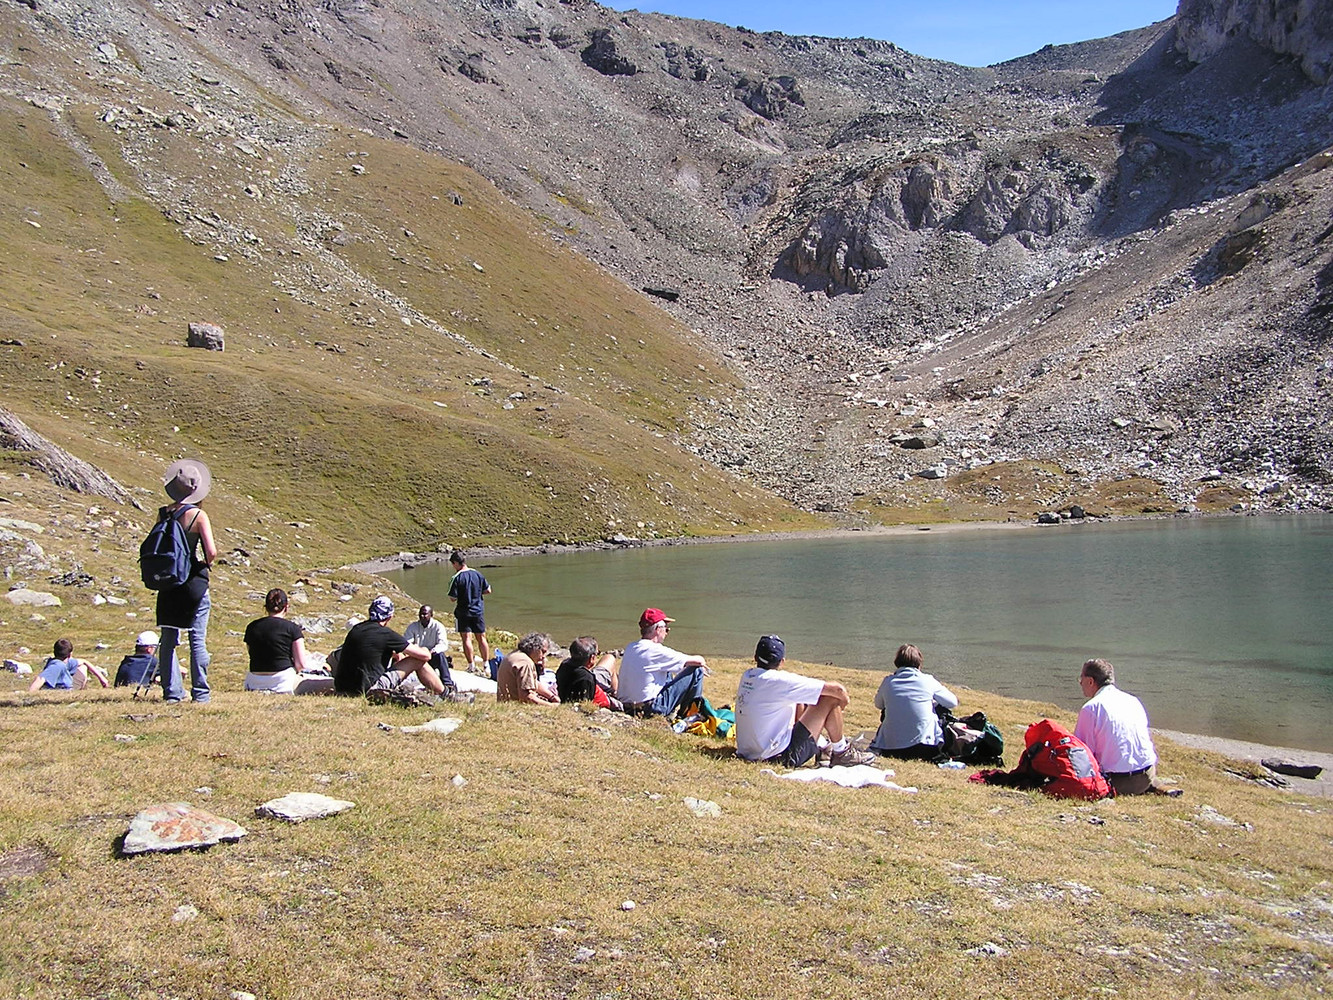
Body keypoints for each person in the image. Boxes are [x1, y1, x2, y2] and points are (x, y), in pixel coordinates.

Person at [735, 635, 877, 767]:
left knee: (799, 698)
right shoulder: (779, 681)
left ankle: (823, 746)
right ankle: (842, 752)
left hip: (750, 751)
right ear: (782, 661)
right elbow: (838, 690)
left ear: (755, 657)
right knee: (830, 698)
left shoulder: (748, 676)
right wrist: (841, 705)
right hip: (780, 757)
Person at [155, 458, 217, 703]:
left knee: (168, 640)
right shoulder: (198, 516)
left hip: (169, 582)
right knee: (197, 639)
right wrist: (204, 563)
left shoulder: (163, 513)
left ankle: (172, 692)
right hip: (194, 583)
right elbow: (211, 551)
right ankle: (200, 693)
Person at [1074, 658, 1176, 796]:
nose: (1080, 683)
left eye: (1081, 678)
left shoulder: (1091, 708)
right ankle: (1156, 786)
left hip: (1118, 781)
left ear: (1090, 681)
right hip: (1147, 775)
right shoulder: (1133, 700)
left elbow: (1083, 753)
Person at [333, 596, 449, 701]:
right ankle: (445, 694)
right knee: (417, 660)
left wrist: (395, 653)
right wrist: (424, 649)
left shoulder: (356, 629)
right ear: (390, 616)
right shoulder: (386, 634)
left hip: (342, 687)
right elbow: (425, 656)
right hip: (369, 689)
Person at [869, 644, 958, 759]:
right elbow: (952, 702)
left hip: (890, 748)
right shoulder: (928, 680)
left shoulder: (888, 682)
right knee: (940, 709)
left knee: (886, 711)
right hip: (924, 747)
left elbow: (878, 704)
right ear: (919, 663)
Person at [618, 608, 709, 719]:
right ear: (658, 629)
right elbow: (698, 660)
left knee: (667, 670)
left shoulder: (631, 647)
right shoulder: (656, 650)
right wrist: (700, 665)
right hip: (650, 708)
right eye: (666, 629)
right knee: (696, 670)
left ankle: (676, 713)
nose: (666, 633)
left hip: (626, 706)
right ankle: (689, 715)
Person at [243, 588, 311, 693]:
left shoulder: (252, 627)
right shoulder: (292, 628)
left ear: (266, 607)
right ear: (286, 607)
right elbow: (301, 665)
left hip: (254, 681)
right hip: (283, 681)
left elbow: (250, 652)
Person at [447, 550, 491, 670]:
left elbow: (452, 598)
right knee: (481, 638)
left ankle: (471, 665)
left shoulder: (456, 577)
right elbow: (488, 590)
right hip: (478, 611)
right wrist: (476, 593)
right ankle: (486, 664)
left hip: (463, 612)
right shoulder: (477, 574)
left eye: (453, 564)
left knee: (467, 639)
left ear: (456, 563)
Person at [497, 632, 560, 704]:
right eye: (542, 652)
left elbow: (531, 682)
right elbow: (526, 697)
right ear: (535, 648)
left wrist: (552, 697)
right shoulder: (525, 662)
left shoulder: (514, 655)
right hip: (515, 705)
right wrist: (551, 706)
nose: (543, 656)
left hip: (504, 702)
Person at [555, 636, 618, 706]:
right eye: (597, 653)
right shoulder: (586, 679)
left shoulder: (565, 665)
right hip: (603, 698)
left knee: (609, 657)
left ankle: (615, 692)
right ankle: (616, 695)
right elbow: (587, 704)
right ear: (592, 658)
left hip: (593, 682)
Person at [404, 604, 455, 689]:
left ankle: (447, 683)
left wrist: (433, 651)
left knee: (440, 655)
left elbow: (443, 644)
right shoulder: (413, 626)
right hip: (418, 655)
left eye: (425, 614)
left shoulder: (438, 626)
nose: (422, 616)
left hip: (432, 655)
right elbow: (407, 642)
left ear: (431, 615)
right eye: (420, 614)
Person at [29, 638, 108, 691]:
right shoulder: (57, 665)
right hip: (60, 691)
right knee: (82, 669)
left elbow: (84, 661)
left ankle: (80, 692)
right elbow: (40, 679)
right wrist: (30, 694)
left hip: (65, 688)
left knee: (82, 667)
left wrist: (102, 679)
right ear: (70, 654)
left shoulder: (65, 662)